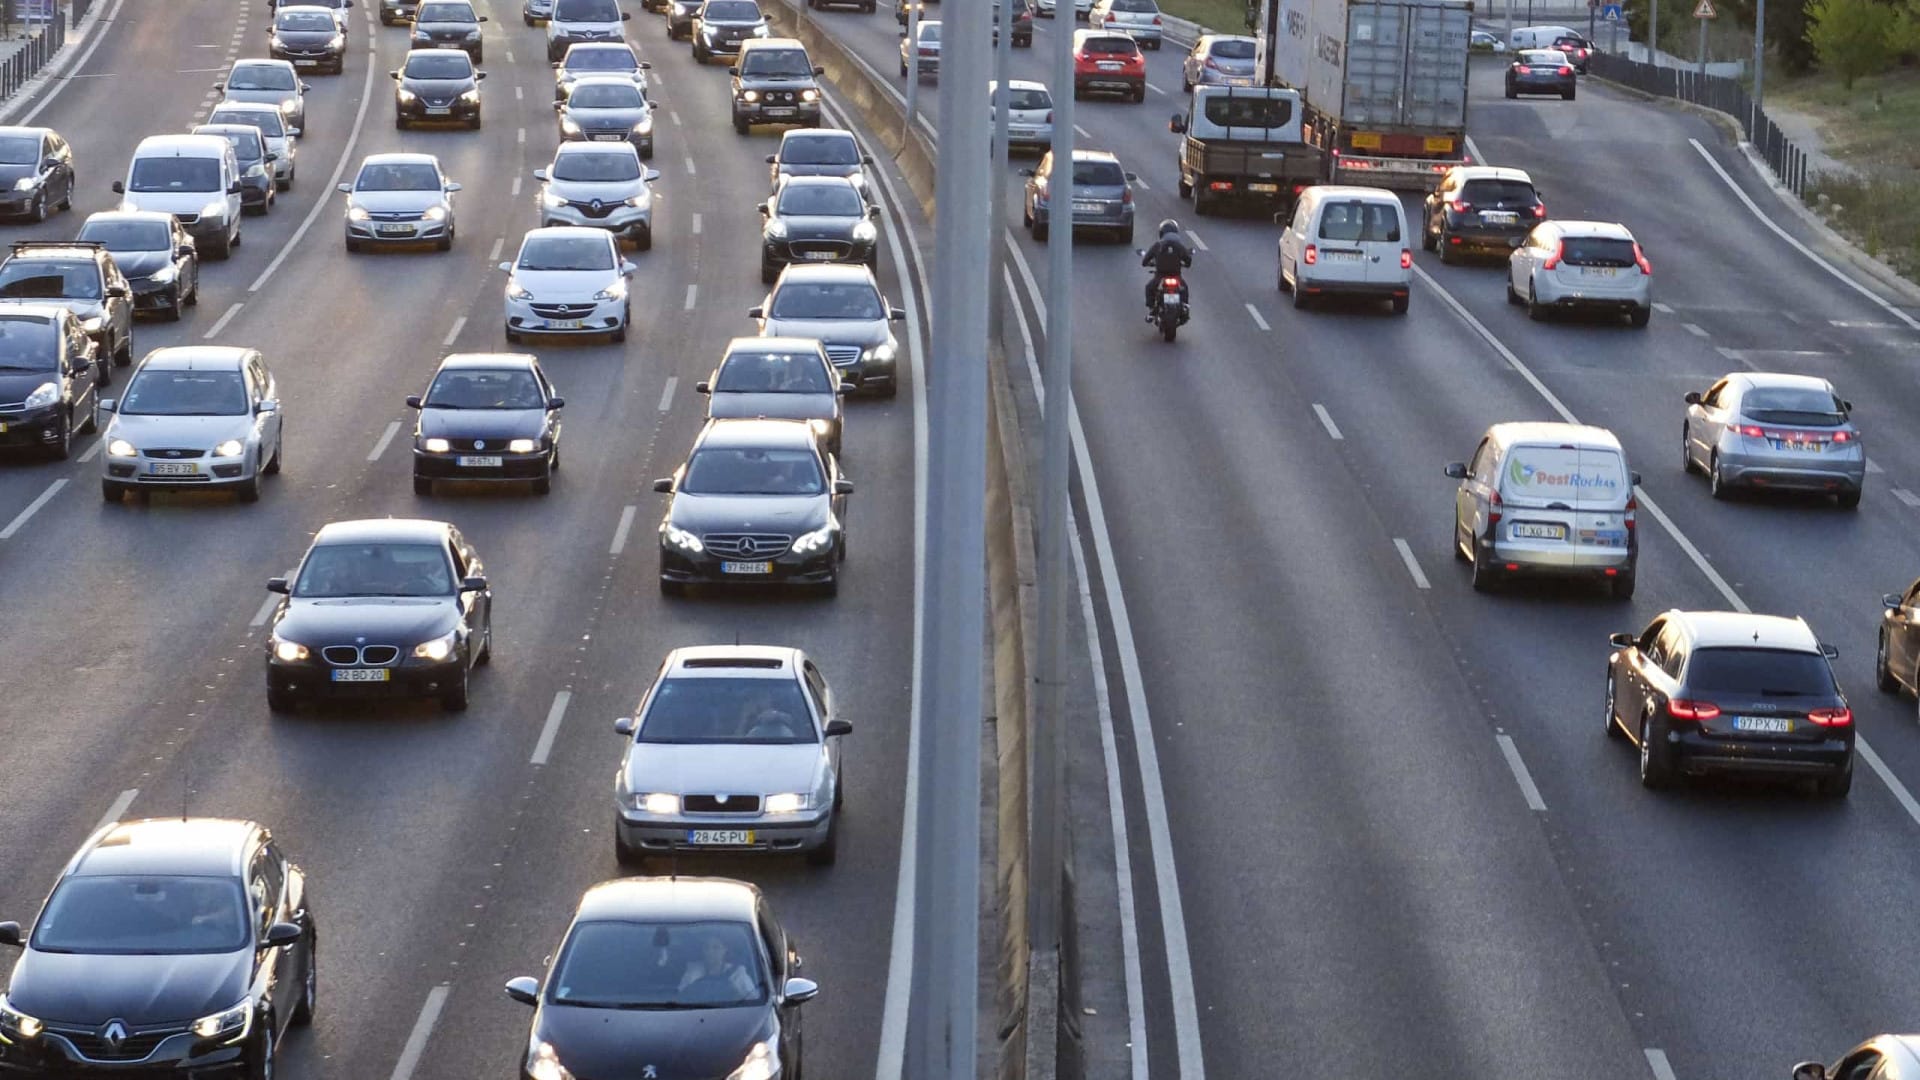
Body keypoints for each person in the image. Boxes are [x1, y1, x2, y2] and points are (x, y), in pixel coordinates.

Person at [679, 934, 758, 999]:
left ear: (725, 949)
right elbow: (681, 997)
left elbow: (753, 999)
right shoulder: (692, 972)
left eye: (716, 947)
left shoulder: (738, 974)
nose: (710, 952)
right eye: (706, 947)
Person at [1140, 219, 1192, 316]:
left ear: (1161, 233)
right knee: (1184, 288)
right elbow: (1188, 260)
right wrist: (1185, 264)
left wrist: (1148, 263)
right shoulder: (1179, 245)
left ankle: (1151, 310)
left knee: (1149, 288)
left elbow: (1145, 261)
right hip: (1176, 275)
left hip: (1160, 275)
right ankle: (1185, 306)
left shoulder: (1158, 245)